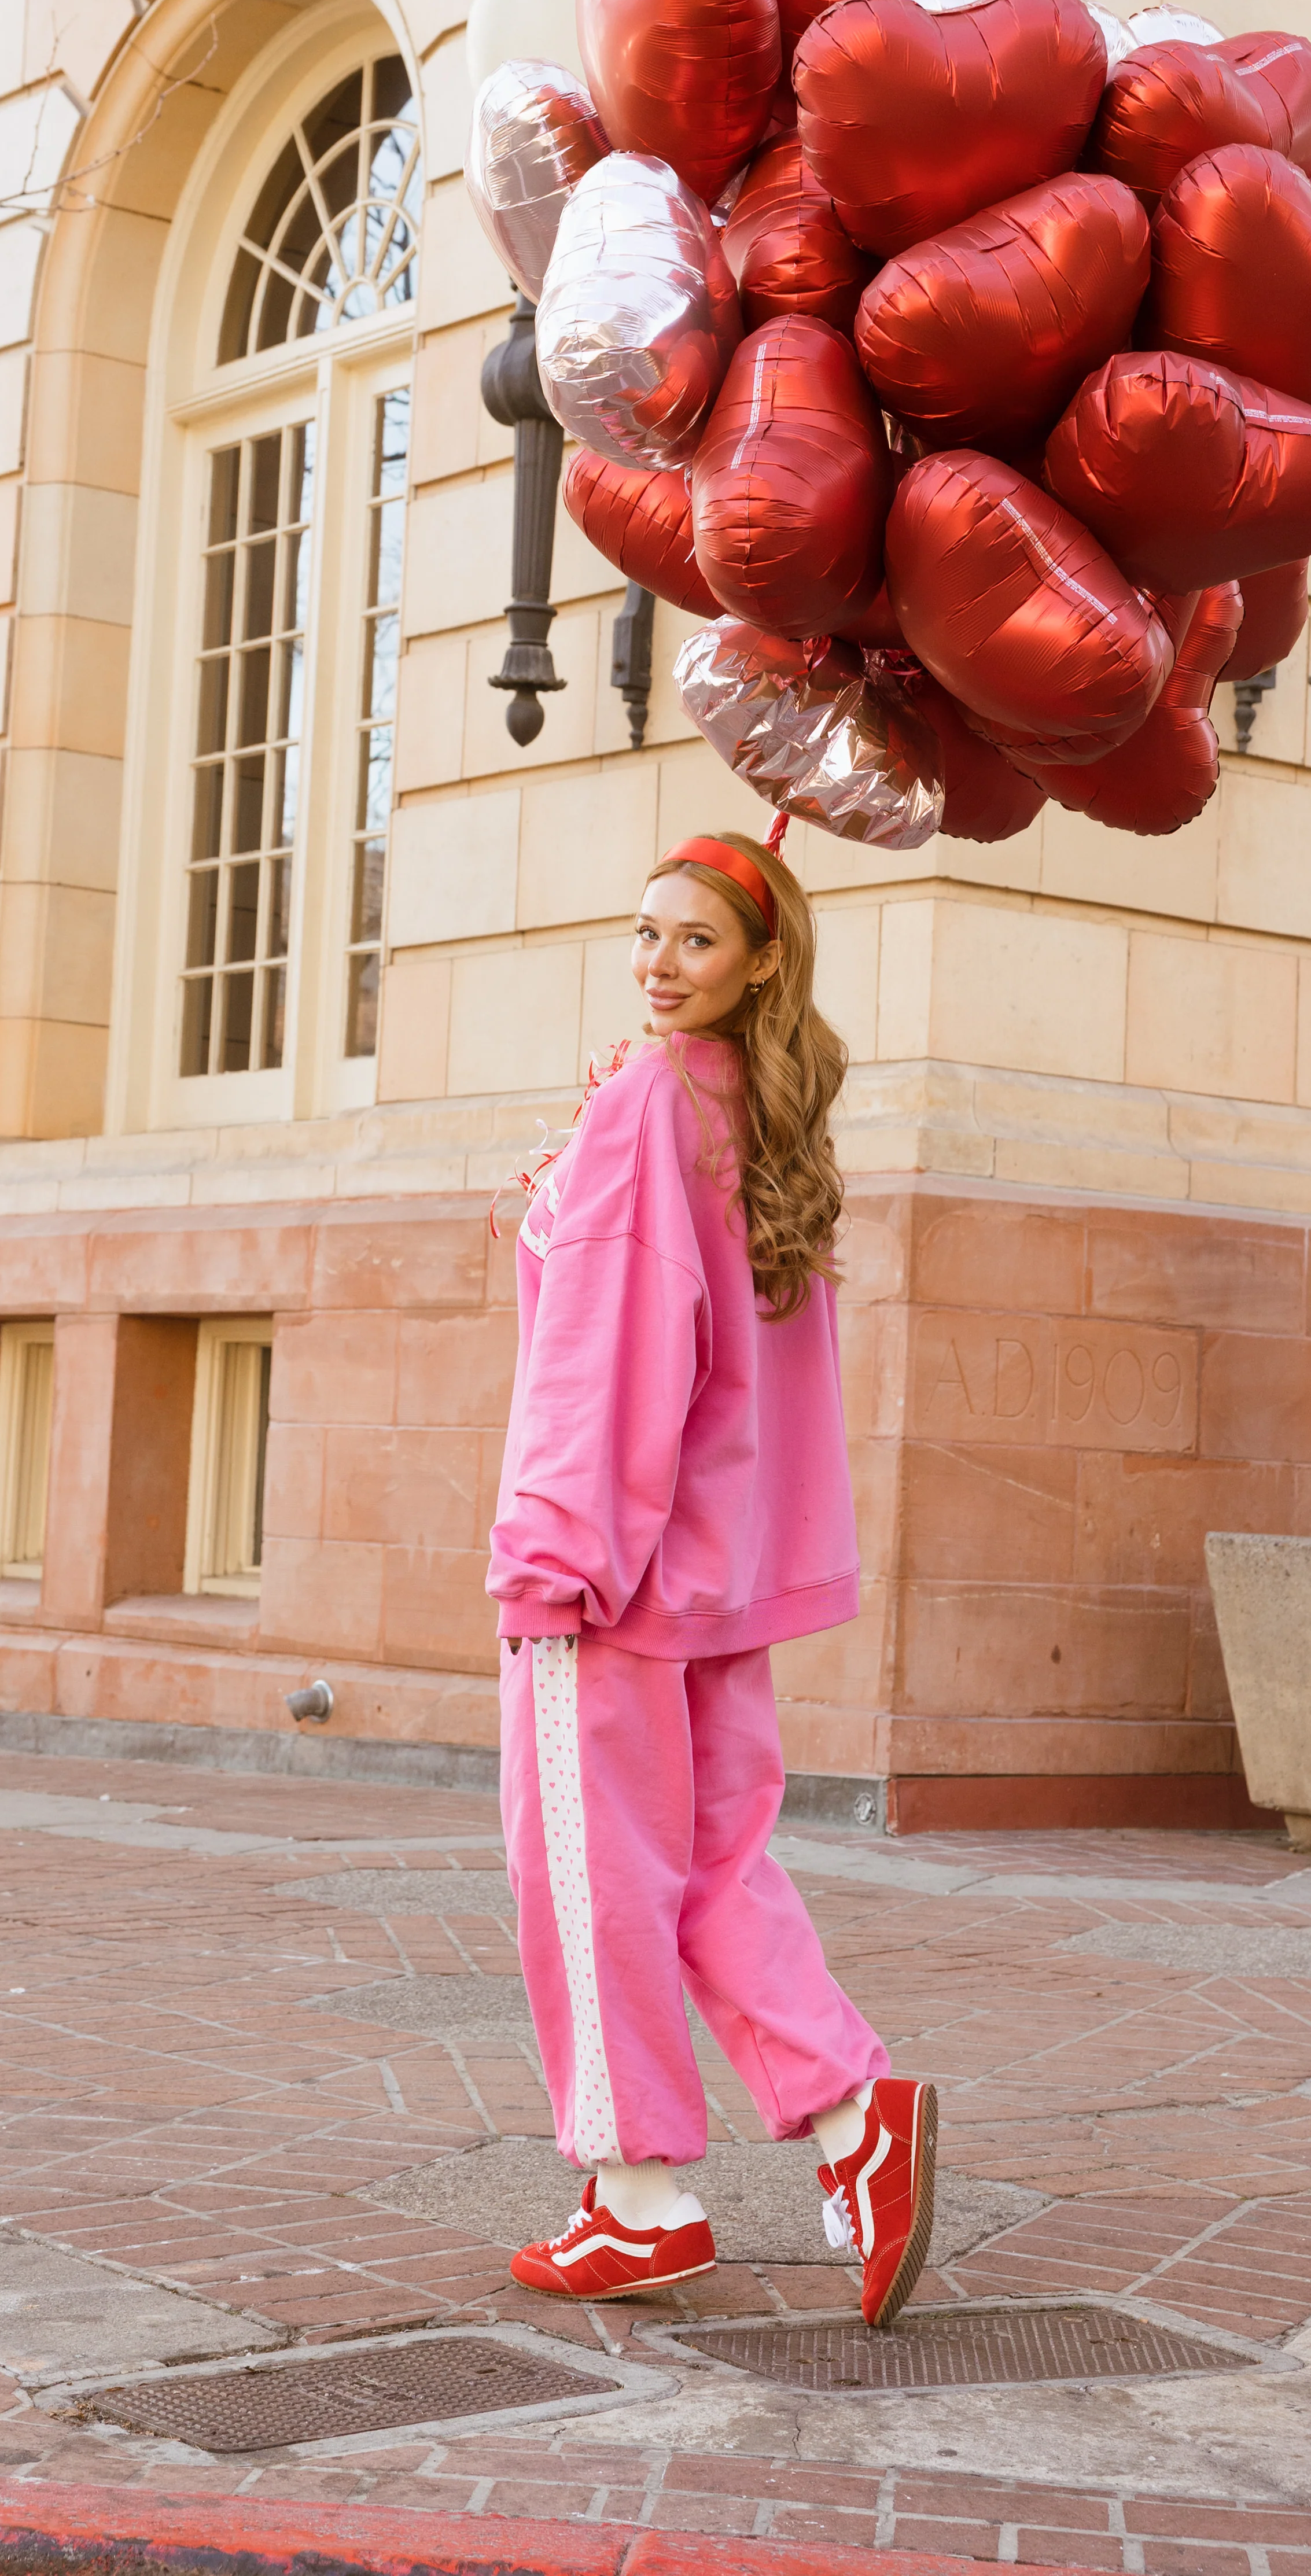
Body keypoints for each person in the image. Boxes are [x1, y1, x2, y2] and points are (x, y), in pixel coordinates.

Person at [488, 827, 936, 2327]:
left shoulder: (651, 1103)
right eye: (645, 935)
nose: (658, 964)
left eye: (693, 940)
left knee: (592, 1872)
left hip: (612, 1571)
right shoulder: (757, 1110)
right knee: (717, 1869)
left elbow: (608, 1350)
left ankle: (635, 2200)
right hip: (720, 1571)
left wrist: (556, 1553)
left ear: (756, 961)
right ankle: (853, 2121)